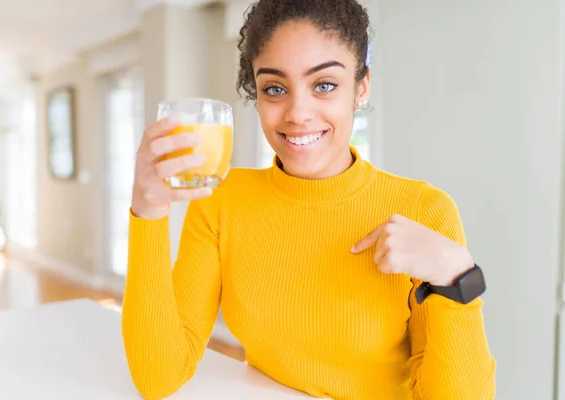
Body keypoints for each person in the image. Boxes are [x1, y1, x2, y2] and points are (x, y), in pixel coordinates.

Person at [121, 0, 496, 398]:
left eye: (324, 85)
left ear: (361, 87)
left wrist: (457, 278)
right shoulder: (221, 201)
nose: (298, 113)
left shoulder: (424, 208)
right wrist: (147, 211)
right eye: (275, 88)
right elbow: (157, 376)